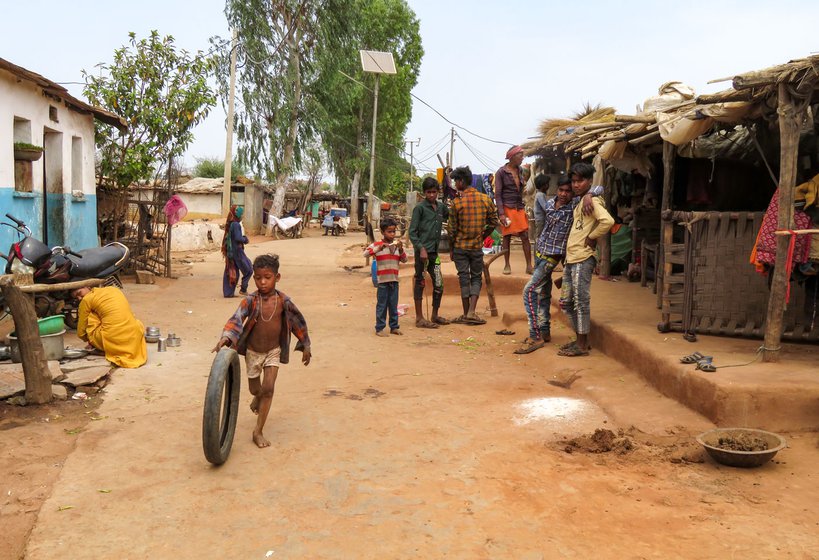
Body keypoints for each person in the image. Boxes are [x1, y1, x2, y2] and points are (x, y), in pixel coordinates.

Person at [213, 254, 311, 448]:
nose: (263, 282)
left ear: (277, 277)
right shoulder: (251, 300)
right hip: (253, 352)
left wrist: (305, 344)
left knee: (269, 389)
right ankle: (257, 396)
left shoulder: (284, 301)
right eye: (258, 278)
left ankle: (258, 431)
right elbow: (237, 318)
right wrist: (226, 336)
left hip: (273, 350)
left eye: (268, 277)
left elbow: (298, 321)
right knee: (255, 389)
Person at [515, 177, 602, 354]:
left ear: (574, 193)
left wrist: (589, 194)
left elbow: (600, 187)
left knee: (529, 291)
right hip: (540, 253)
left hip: (552, 257)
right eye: (561, 190)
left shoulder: (575, 204)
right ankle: (544, 331)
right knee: (544, 294)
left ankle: (535, 335)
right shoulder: (548, 203)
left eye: (568, 191)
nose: (563, 194)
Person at [558, 162, 614, 357]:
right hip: (572, 259)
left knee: (581, 301)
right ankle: (580, 339)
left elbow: (608, 221)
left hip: (583, 258)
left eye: (580, 181)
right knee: (565, 302)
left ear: (589, 181)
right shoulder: (583, 200)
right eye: (573, 181)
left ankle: (581, 344)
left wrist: (592, 237)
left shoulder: (593, 202)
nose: (575, 185)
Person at [448, 166, 499, 325]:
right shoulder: (485, 199)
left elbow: (452, 230)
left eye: (456, 181)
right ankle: (471, 312)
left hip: (460, 247)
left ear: (462, 181)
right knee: (476, 277)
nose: (455, 184)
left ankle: (466, 313)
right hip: (476, 246)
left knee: (464, 278)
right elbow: (493, 222)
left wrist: (451, 248)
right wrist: (483, 236)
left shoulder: (457, 202)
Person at [71, 286, 147, 368]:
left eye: (79, 293)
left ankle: (104, 347)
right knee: (131, 319)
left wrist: (89, 340)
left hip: (113, 337)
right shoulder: (113, 289)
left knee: (90, 315)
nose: (79, 298)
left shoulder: (86, 300)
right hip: (134, 334)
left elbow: (81, 331)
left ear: (88, 287)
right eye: (76, 297)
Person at [408, 177, 450, 329]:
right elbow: (412, 232)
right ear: (424, 193)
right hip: (422, 254)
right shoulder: (419, 208)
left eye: (434, 192)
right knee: (420, 282)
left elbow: (451, 215)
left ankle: (434, 315)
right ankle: (419, 318)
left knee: (439, 283)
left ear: (438, 192)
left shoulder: (441, 208)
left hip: (434, 253)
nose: (432, 195)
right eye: (429, 192)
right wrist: (421, 248)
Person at [363, 217, 408, 336]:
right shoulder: (377, 245)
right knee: (382, 305)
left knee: (393, 305)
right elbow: (366, 254)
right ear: (383, 232)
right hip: (382, 281)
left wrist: (401, 248)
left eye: (394, 231)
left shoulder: (396, 246)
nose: (392, 234)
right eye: (389, 231)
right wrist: (378, 248)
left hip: (394, 280)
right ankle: (380, 328)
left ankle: (394, 327)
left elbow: (404, 260)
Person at [495, 145, 533, 275]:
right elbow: (497, 194)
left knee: (525, 236)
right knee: (506, 236)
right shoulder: (501, 172)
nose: (522, 158)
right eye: (520, 155)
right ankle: (507, 264)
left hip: (519, 206)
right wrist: (501, 214)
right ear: (512, 157)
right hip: (506, 207)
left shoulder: (521, 171)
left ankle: (529, 265)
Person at [222, 205, 253, 298]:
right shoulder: (236, 225)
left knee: (232, 270)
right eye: (241, 214)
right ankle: (243, 289)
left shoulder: (231, 223)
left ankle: (228, 293)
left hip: (231, 252)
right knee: (249, 269)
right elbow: (238, 238)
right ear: (237, 215)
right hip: (237, 252)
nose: (242, 216)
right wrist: (245, 239)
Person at [532, 174, 552, 240]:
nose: (548, 185)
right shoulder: (540, 195)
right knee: (539, 235)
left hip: (541, 219)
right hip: (541, 219)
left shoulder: (541, 194)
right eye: (547, 184)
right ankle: (537, 249)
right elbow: (546, 207)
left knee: (540, 234)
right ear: (543, 185)